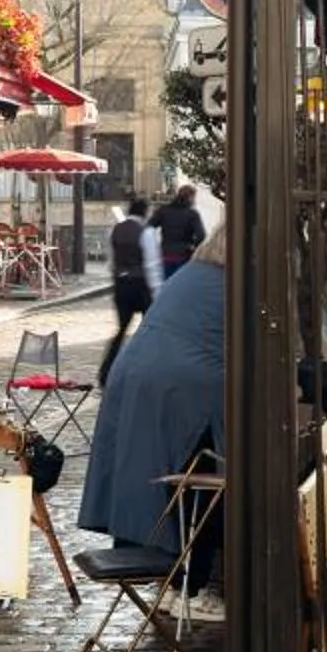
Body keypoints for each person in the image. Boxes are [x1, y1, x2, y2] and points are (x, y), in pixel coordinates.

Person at [80, 220, 229, 619]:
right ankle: (188, 589)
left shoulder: (195, 273)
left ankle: (174, 582)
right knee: (204, 485)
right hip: (180, 391)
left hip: (140, 379)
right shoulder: (231, 283)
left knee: (170, 484)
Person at [100, 195, 154, 384]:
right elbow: (151, 264)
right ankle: (146, 371)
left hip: (121, 285)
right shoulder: (145, 232)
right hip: (141, 285)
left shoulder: (116, 229)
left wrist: (117, 276)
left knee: (121, 330)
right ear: (144, 212)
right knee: (150, 331)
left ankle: (105, 374)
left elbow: (111, 259)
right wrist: (158, 289)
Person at [151, 183, 206, 280]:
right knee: (182, 284)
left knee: (167, 284)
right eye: (194, 198)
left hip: (166, 255)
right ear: (189, 197)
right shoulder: (192, 214)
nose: (194, 201)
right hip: (184, 256)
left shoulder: (163, 210)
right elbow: (201, 235)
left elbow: (149, 226)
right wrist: (192, 246)